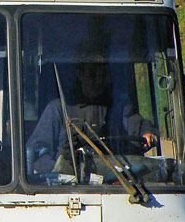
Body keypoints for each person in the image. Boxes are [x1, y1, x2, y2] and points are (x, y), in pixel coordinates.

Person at [26, 63, 157, 175]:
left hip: (117, 184)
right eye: (93, 75)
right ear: (80, 75)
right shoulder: (59, 108)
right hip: (70, 188)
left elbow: (140, 127)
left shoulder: (119, 107)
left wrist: (147, 133)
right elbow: (36, 153)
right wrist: (59, 172)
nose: (98, 81)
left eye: (103, 76)